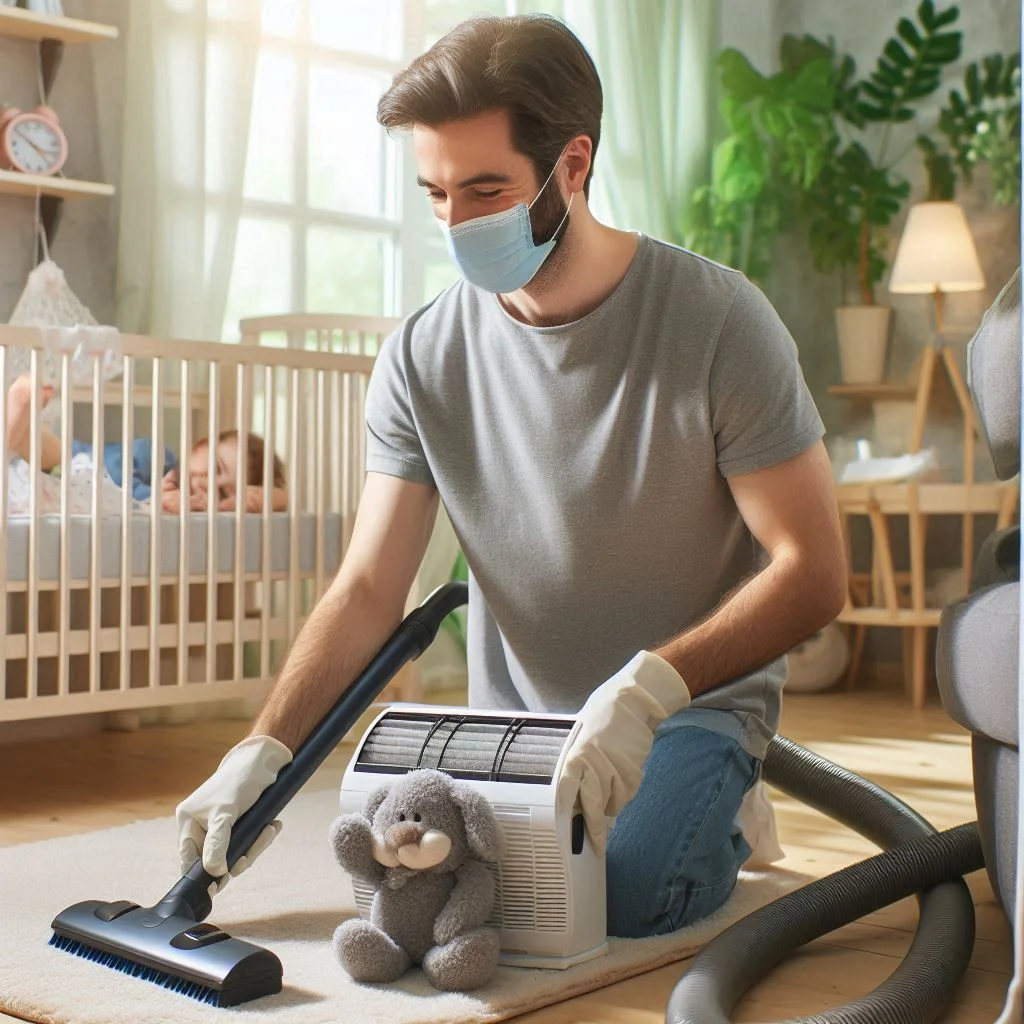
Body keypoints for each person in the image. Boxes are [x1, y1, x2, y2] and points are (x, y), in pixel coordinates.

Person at [176, 14, 847, 938]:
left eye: (485, 188)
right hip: (517, 730)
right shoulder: (423, 354)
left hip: (686, 712)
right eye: (435, 193)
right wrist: (263, 747)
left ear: (572, 166)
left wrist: (651, 688)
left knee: (618, 896)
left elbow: (813, 571)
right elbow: (372, 585)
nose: (457, 222)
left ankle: (727, 807)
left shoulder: (719, 321)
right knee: (410, 881)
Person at [4, 373, 287, 513]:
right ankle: (22, 428)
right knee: (54, 452)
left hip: (50, 479)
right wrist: (155, 500)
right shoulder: (158, 457)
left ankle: (17, 432)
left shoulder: (195, 512)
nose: (209, 484)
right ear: (200, 446)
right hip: (77, 464)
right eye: (215, 467)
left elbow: (279, 500)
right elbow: (115, 474)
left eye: (223, 492)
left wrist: (261, 499)